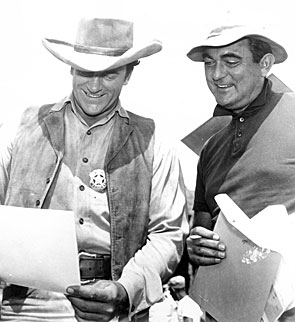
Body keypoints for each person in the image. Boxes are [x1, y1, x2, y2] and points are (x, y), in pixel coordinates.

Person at [0, 17, 189, 321]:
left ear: (128, 73)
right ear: (71, 68)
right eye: (86, 72)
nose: (95, 85)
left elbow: (168, 234)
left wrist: (127, 290)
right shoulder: (20, 128)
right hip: (26, 307)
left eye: (110, 74)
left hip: (113, 310)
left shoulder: (156, 142)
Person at [185, 24, 295, 321]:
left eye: (231, 61)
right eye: (209, 63)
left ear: (266, 65)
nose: (217, 74)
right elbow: (202, 231)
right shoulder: (211, 148)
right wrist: (197, 247)